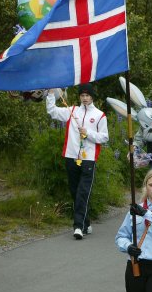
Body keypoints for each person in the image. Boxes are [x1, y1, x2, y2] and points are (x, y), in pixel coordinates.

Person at [45, 84, 108, 239]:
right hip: (71, 157)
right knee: (75, 192)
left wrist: (89, 133)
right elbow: (52, 111)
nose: (85, 98)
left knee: (83, 193)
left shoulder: (100, 115)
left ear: (92, 97)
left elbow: (104, 137)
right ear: (79, 97)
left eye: (87, 95)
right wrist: (51, 93)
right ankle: (86, 223)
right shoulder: (72, 111)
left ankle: (78, 226)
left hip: (88, 159)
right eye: (82, 95)